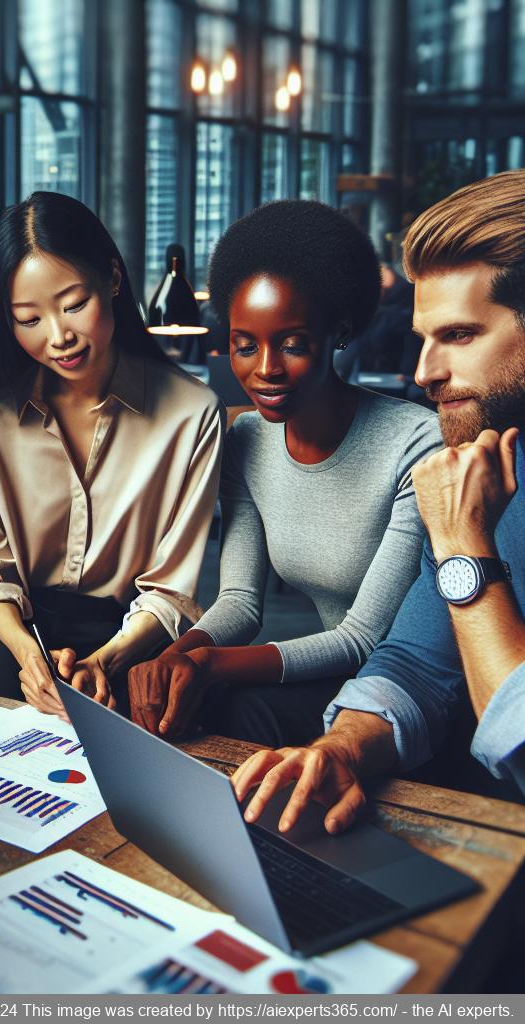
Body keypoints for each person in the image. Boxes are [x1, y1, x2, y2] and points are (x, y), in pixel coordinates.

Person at [234, 170, 525, 837]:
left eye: (458, 336)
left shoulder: (458, 494)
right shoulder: (481, 459)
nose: (424, 372)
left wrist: (463, 545)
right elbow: (418, 662)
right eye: (424, 338)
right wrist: (340, 749)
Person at [128, 200, 442, 746]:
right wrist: (172, 657)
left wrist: (208, 665)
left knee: (229, 703)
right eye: (245, 346)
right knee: (180, 700)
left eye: (292, 344)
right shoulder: (248, 439)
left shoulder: (415, 442)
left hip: (411, 691)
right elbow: (240, 603)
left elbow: (363, 638)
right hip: (338, 677)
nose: (266, 368)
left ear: (337, 333)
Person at [0, 191, 224, 717]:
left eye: (73, 305)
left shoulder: (192, 412)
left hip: (132, 628)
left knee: (156, 701)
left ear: (112, 280)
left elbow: (171, 591)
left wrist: (106, 661)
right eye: (29, 319)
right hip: (17, 626)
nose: (59, 336)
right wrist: (33, 659)